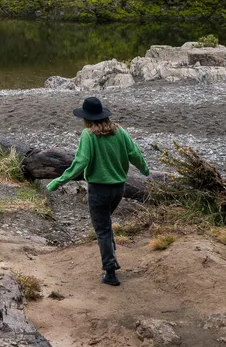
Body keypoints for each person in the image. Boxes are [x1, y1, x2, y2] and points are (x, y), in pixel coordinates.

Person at [46, 96, 150, 286]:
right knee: (106, 224)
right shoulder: (119, 131)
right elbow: (134, 153)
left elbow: (80, 162)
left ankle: (110, 272)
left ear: (87, 118)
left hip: (98, 190)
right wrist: (145, 170)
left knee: (102, 229)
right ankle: (112, 256)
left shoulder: (88, 135)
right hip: (119, 189)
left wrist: (57, 182)